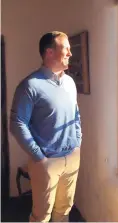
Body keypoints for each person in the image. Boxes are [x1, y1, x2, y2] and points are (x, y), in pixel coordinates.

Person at [10, 31, 82, 222]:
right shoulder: (30, 85)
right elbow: (17, 124)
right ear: (49, 52)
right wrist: (38, 157)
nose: (70, 53)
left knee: (64, 210)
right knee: (41, 215)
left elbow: (75, 114)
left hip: (72, 157)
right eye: (65, 48)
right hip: (46, 162)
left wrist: (78, 142)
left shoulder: (69, 82)